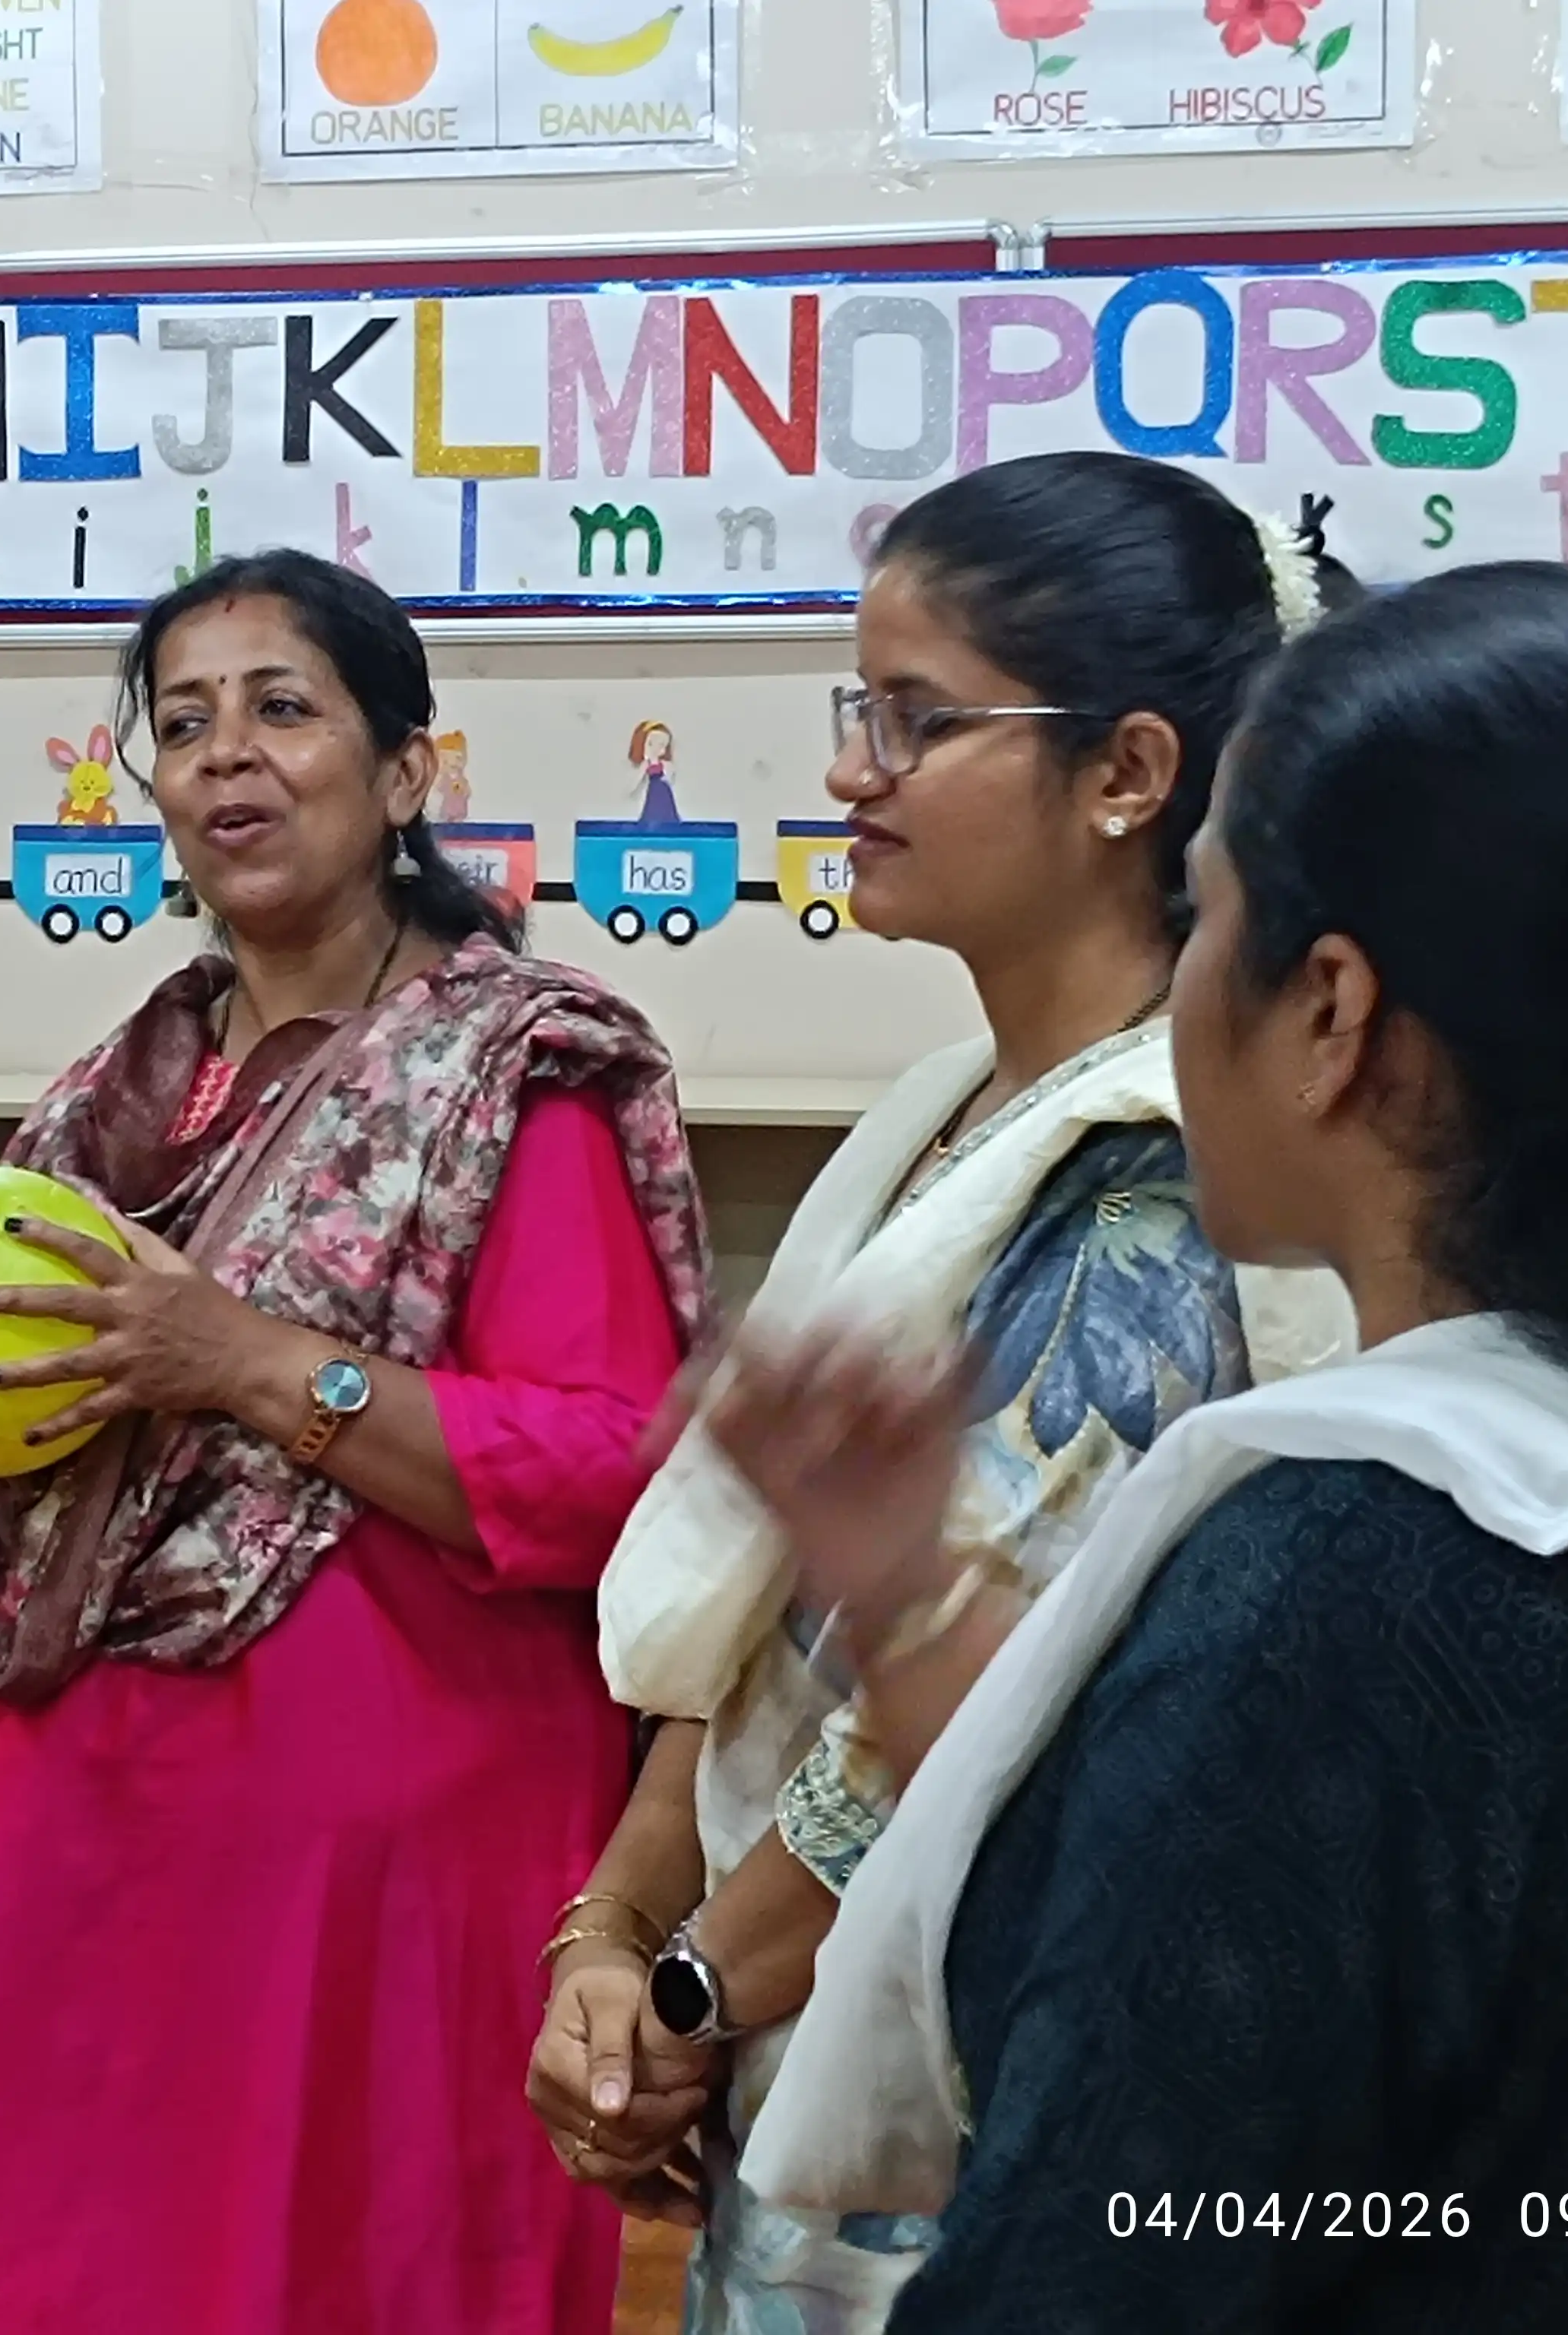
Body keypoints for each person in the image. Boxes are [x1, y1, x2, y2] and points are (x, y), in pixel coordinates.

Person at [0, 549, 719, 2335]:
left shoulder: (509, 1073)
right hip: (105, 1750)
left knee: (327, 2266)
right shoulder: (121, 1088)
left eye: (282, 710)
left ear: (404, 773)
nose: (226, 760)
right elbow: (87, 1459)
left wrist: (245, 1360)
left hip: (397, 1811)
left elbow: (613, 1474)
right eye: (183, 724)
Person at [724, 562, 1568, 2331]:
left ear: (1331, 1015)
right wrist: (906, 1604)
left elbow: (1127, 2237)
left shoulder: (1349, 1573)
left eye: (1203, 914)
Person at [531, 452, 1360, 2333]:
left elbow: (958, 1708)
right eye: (858, 710)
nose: (849, 772)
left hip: (953, 2106)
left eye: (914, 720)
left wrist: (678, 2005)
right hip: (776, 2039)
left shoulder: (1148, 1181)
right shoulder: (938, 1121)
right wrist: (608, 1933)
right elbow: (766, 1600)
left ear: (1125, 775)